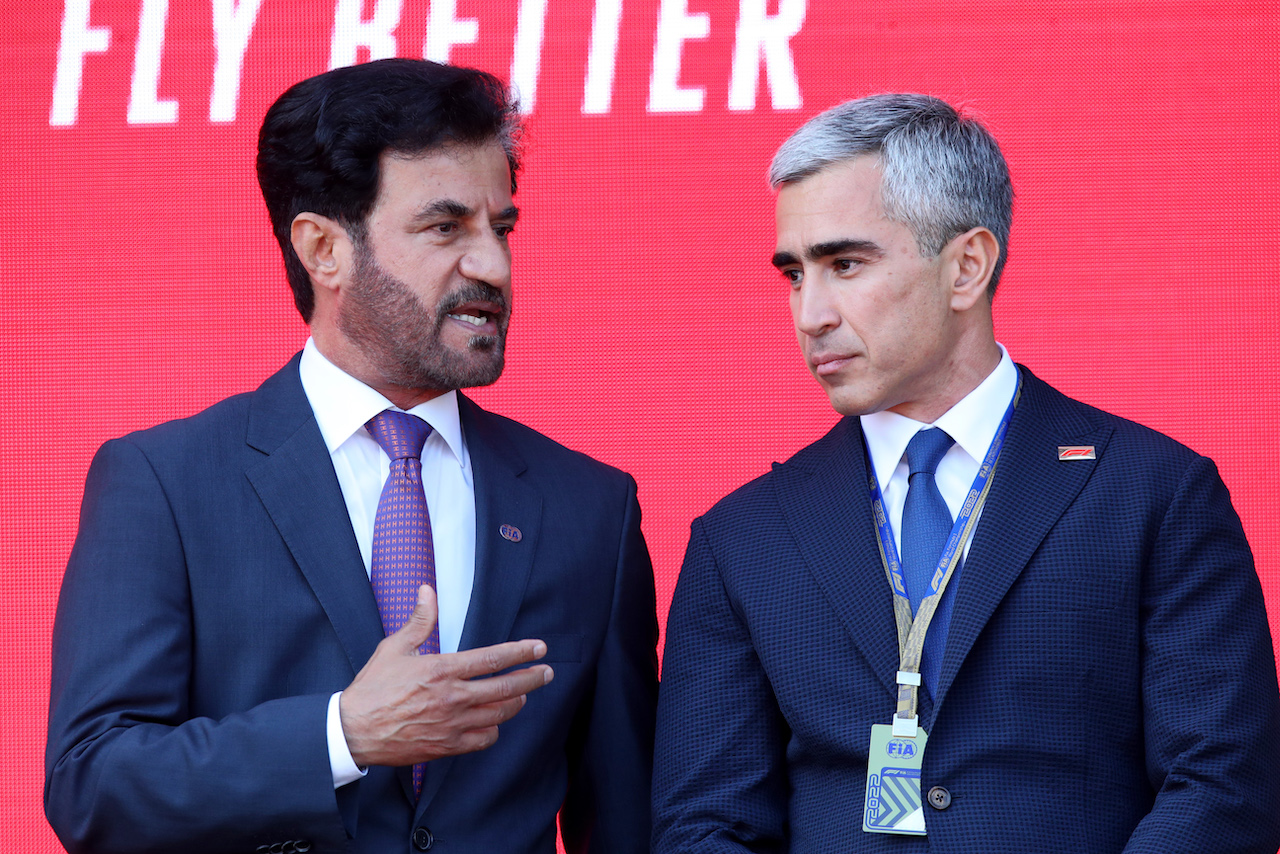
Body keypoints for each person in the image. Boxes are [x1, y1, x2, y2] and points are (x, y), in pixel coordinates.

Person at [46, 58, 658, 854]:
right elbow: (94, 786)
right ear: (323, 249)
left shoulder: (589, 508)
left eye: (501, 229)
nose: (494, 268)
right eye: (445, 228)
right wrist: (341, 736)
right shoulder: (165, 482)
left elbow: (627, 821)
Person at [652, 94, 1280, 853]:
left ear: (967, 267)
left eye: (845, 264)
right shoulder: (741, 538)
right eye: (794, 274)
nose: (809, 312)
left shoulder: (1154, 494)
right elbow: (704, 825)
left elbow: (1223, 787)